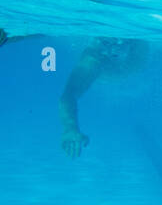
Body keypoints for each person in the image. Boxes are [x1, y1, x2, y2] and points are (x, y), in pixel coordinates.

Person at [1, 31, 148, 157]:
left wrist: (70, 127)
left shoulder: (97, 58)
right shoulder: (98, 59)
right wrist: (70, 127)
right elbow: (68, 96)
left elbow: (68, 96)